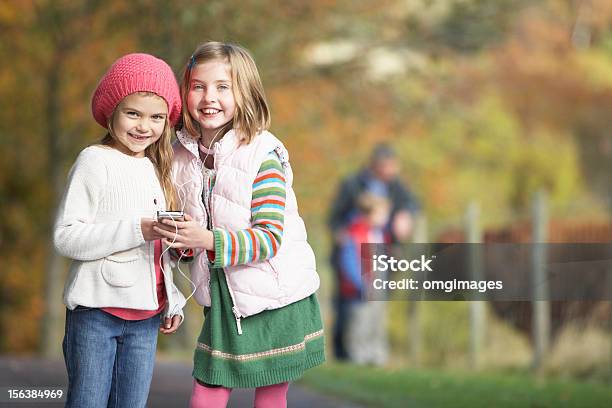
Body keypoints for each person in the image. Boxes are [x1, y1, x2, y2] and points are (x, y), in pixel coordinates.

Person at [154, 41, 324, 408]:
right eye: (198, 86)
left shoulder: (263, 157)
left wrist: (206, 238)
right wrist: (182, 240)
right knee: (206, 395)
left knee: (269, 397)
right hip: (221, 299)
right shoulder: (179, 156)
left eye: (222, 87)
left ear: (243, 93)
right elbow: (191, 239)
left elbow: (268, 239)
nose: (208, 97)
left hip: (273, 297)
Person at [53, 53, 187, 408]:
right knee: (88, 403)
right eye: (133, 114)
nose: (145, 126)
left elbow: (158, 254)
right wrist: (137, 229)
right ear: (111, 111)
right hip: (97, 314)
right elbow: (66, 236)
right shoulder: (94, 161)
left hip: (145, 320)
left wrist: (171, 299)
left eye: (157, 117)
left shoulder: (158, 168)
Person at [328, 143, 419, 360]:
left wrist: (405, 214)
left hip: (379, 258)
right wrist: (342, 234)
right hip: (355, 258)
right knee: (350, 313)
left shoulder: (396, 186)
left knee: (377, 313)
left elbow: (412, 203)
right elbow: (335, 218)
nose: (391, 172)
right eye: (387, 166)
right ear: (376, 166)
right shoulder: (352, 184)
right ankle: (347, 356)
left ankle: (375, 356)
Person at [338, 191, 392, 365]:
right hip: (359, 291)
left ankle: (377, 358)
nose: (385, 218)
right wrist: (360, 284)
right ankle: (358, 359)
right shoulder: (354, 234)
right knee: (360, 326)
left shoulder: (380, 234)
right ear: (369, 213)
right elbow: (348, 262)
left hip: (378, 288)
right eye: (382, 213)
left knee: (377, 324)